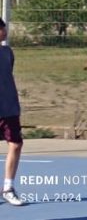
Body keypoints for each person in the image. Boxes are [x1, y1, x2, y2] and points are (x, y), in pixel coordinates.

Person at [0, 19, 25, 206]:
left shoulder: (7, 53)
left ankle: (8, 188)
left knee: (15, 144)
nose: (5, 32)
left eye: (4, 29)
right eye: (2, 30)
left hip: (9, 109)